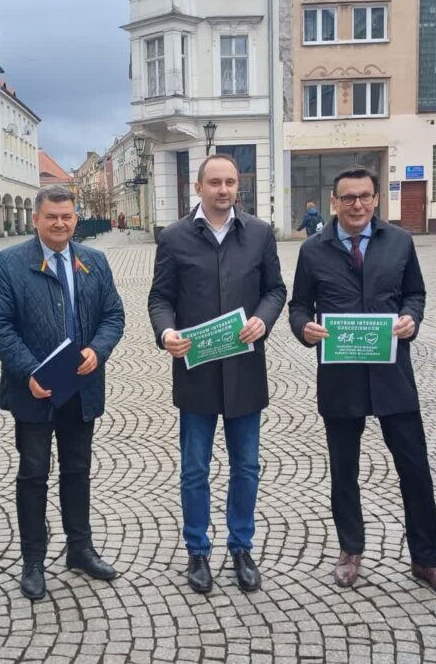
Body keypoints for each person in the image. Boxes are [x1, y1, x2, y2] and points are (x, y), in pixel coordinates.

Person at [288, 167, 436, 599]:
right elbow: (297, 306)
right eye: (348, 198)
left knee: (415, 469)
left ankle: (426, 559)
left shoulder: (399, 242)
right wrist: (305, 328)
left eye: (365, 196)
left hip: (392, 376)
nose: (357, 205)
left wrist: (412, 318)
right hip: (341, 377)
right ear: (334, 202)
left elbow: (415, 294)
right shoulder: (313, 250)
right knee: (344, 471)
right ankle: (351, 550)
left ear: (377, 198)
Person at [148, 153, 286, 594]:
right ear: (198, 187)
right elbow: (160, 298)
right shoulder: (173, 238)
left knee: (246, 467)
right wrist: (165, 330)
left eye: (230, 182)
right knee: (195, 469)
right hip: (197, 372)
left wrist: (265, 318)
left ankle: (241, 546)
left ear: (236, 187)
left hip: (245, 371)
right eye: (215, 183)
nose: (223, 190)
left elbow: (276, 289)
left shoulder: (259, 234)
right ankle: (198, 550)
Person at [0, 185, 125, 601]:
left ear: (75, 219)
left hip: (81, 386)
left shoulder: (94, 262)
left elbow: (114, 314)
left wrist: (98, 351)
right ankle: (32, 560)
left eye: (66, 217)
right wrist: (27, 369)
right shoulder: (9, 263)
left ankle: (79, 548)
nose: (60, 223)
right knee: (33, 475)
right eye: (51, 217)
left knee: (77, 471)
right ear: (36, 219)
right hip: (33, 389)